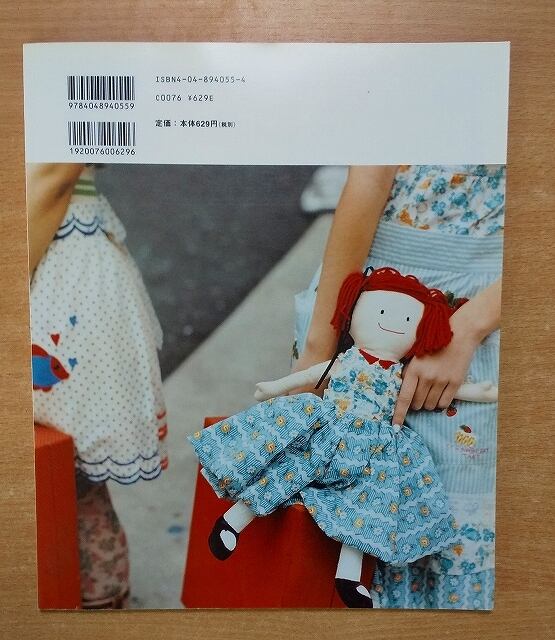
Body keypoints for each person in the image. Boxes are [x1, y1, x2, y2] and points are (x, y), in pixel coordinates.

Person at [293, 164, 504, 609]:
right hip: (371, 293)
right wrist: (317, 351)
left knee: (449, 531)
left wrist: (467, 327)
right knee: (327, 507)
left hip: (485, 305)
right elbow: (369, 176)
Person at [28, 163, 167, 608]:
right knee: (65, 475)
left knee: (60, 466)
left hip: (49, 262)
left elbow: (53, 173)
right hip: (64, 258)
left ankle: (95, 608)